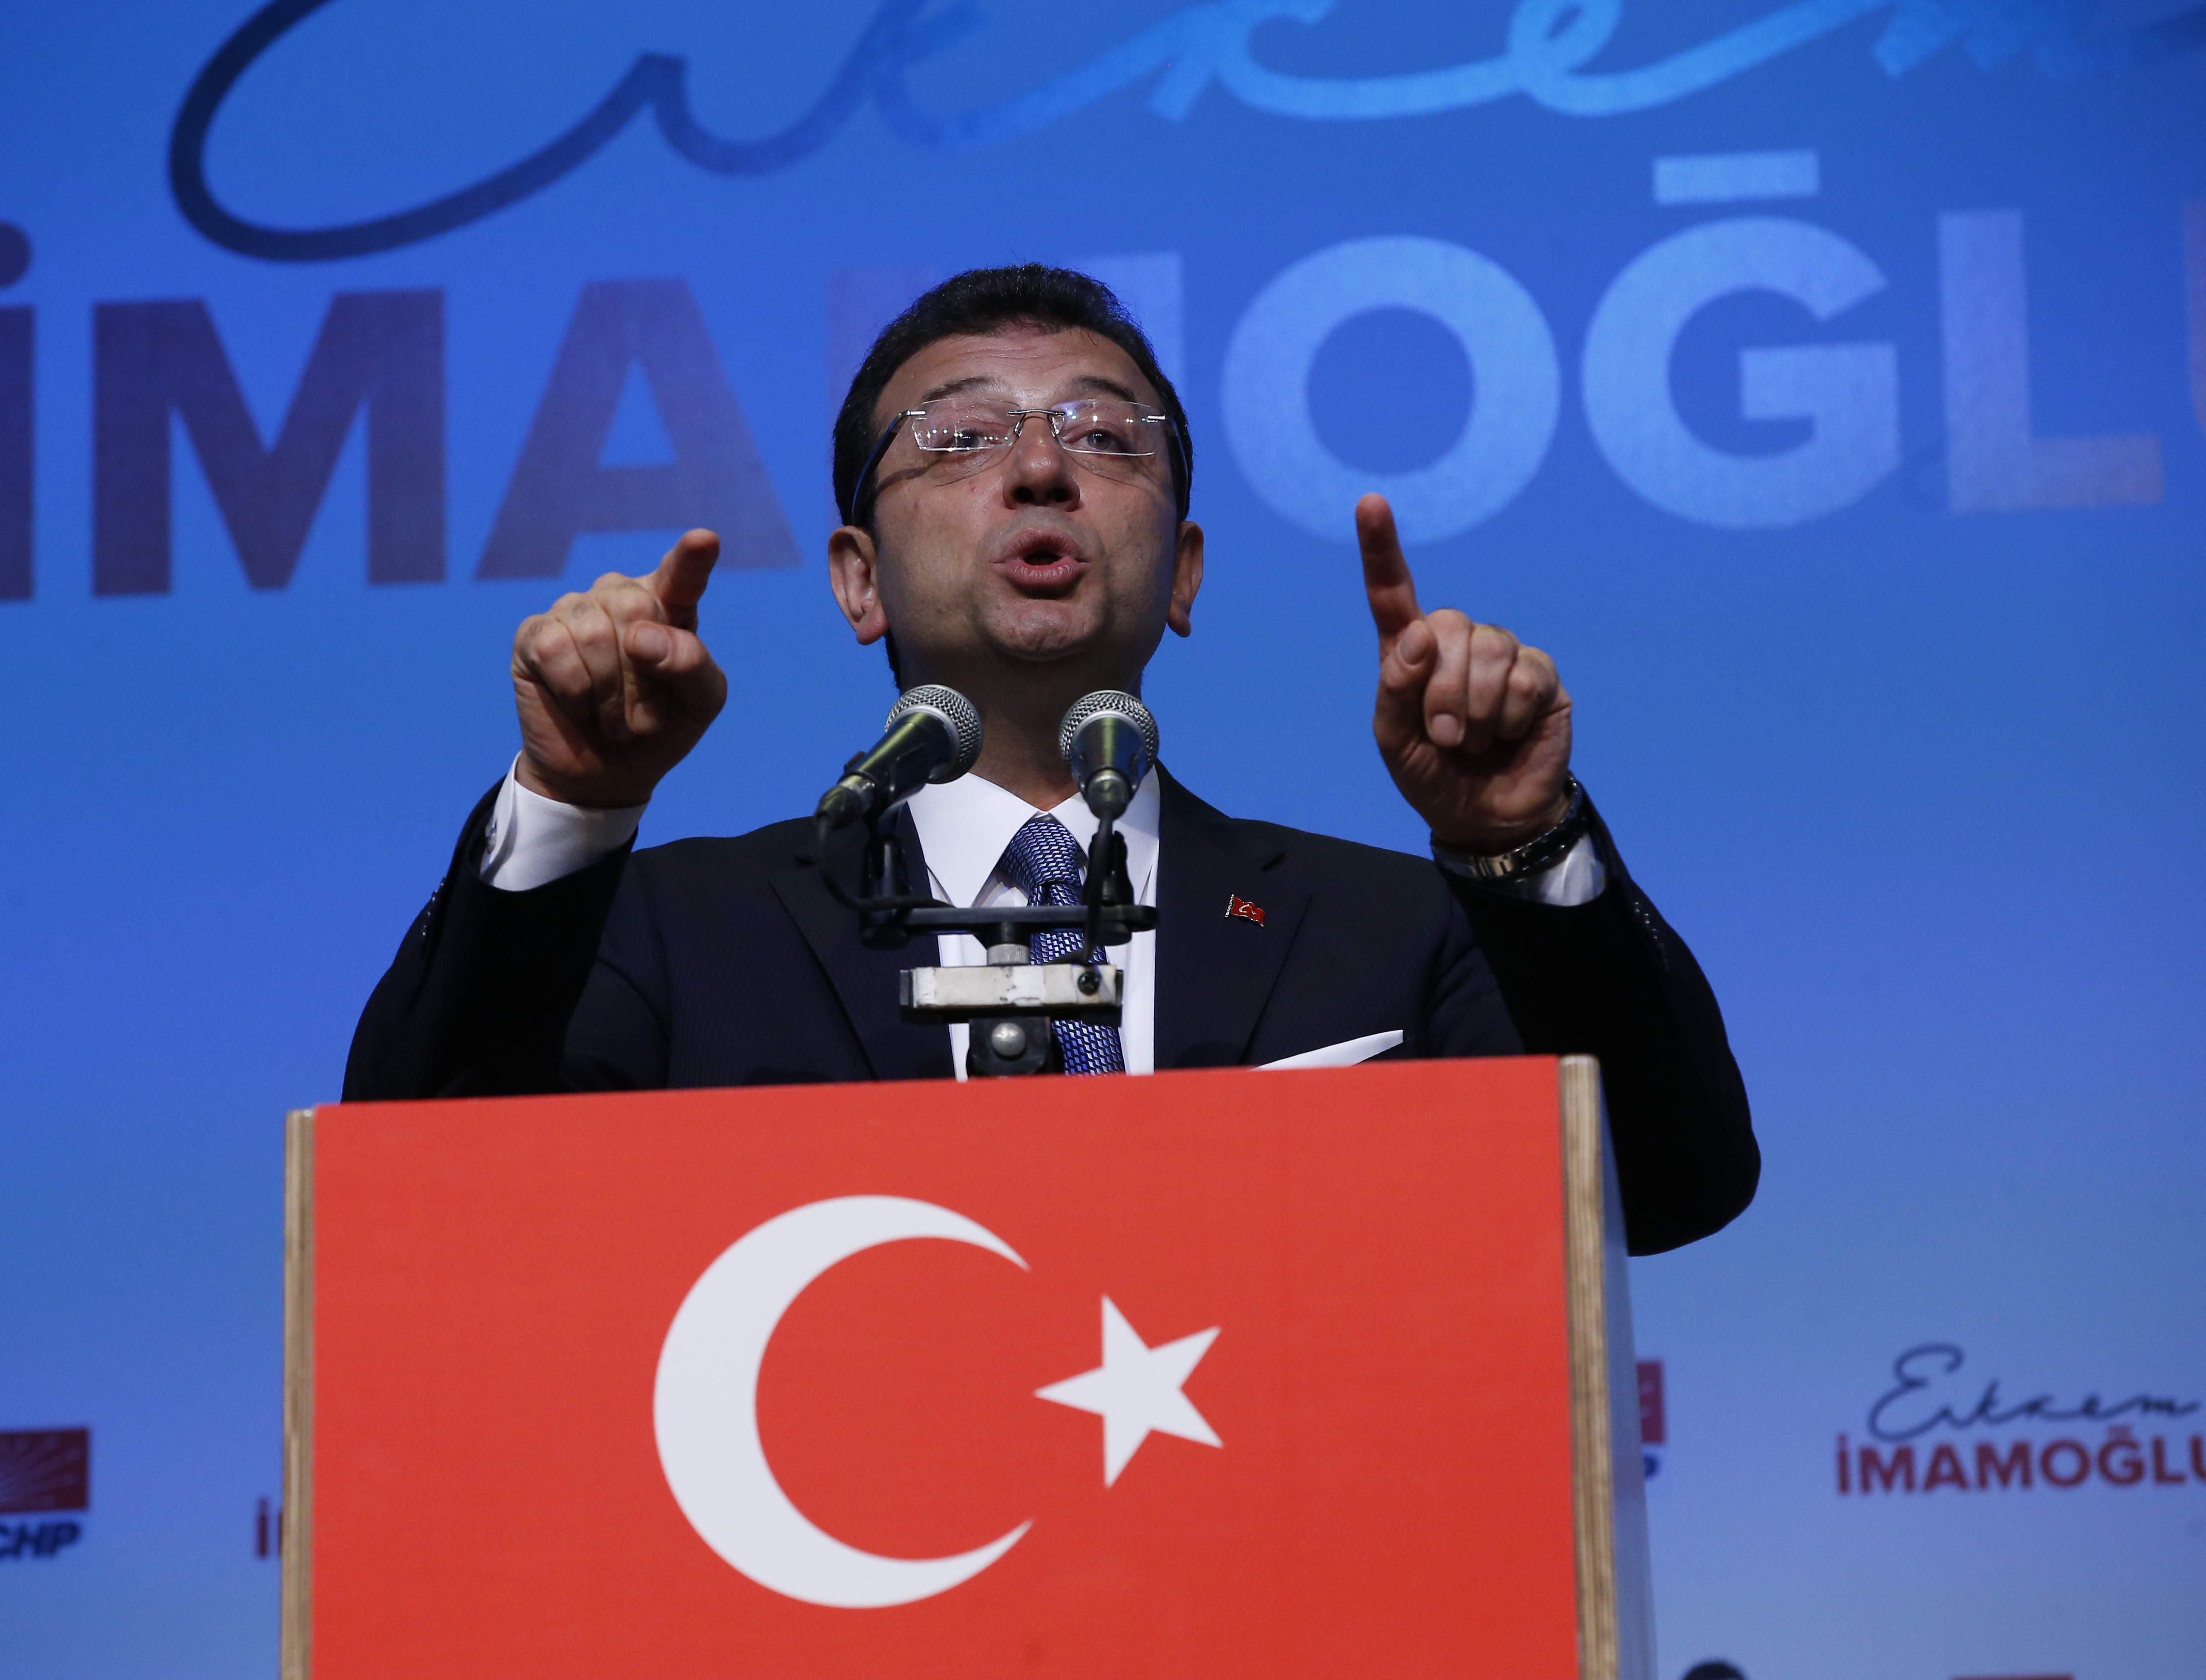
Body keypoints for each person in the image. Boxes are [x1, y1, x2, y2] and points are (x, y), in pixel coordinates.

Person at [344, 265, 1756, 1254]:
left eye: (1102, 435)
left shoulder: (1393, 931)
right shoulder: (666, 933)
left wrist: (1522, 843)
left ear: (1185, 573)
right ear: (857, 582)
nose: (1038, 469)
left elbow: (1672, 1185)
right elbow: (410, 1201)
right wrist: (575, 810)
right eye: (961, 437)